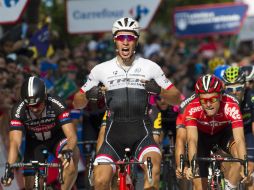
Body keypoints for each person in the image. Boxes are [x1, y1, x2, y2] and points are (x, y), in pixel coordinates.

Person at [73, 17, 181, 189]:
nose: (125, 42)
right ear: (115, 41)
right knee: (100, 181)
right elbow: (76, 103)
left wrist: (160, 91)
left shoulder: (150, 67)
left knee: (153, 175)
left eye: (130, 38)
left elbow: (176, 97)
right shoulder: (101, 69)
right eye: (121, 37)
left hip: (142, 134)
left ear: (136, 41)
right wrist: (88, 95)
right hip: (113, 137)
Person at [1, 76, 80, 190]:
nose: (34, 109)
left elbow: (71, 135)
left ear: (45, 97)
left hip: (57, 139)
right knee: (30, 185)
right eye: (30, 106)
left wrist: (68, 151)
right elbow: (15, 142)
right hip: (34, 143)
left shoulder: (56, 103)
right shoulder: (18, 110)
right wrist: (9, 168)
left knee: (72, 160)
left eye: (37, 104)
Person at [184, 74, 249, 190]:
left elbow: (239, 139)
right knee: (199, 186)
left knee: (240, 157)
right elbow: (192, 139)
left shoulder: (231, 105)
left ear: (220, 96)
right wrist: (192, 165)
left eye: (212, 99)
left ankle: (230, 187)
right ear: (199, 99)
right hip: (201, 138)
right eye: (204, 100)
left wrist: (244, 165)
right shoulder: (192, 107)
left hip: (223, 134)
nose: (208, 105)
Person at [222, 66, 254, 190]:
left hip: (247, 132)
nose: (234, 92)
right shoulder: (221, 100)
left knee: (249, 168)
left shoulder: (251, 98)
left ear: (245, 86)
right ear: (225, 89)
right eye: (230, 89)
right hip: (227, 134)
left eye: (238, 88)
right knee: (228, 166)